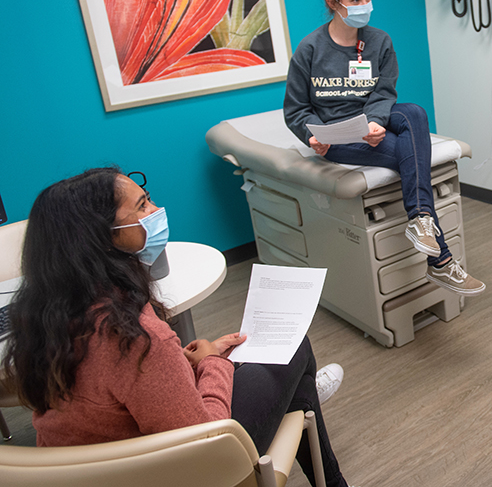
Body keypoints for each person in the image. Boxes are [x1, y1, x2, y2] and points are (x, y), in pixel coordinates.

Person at [1, 168, 353, 487]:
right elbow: (204, 439)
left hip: (83, 470)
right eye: (141, 206)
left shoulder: (38, 317)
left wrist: (179, 366)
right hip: (174, 472)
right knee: (294, 350)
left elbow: (108, 389)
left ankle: (301, 409)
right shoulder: (132, 333)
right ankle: (301, 411)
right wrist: (215, 363)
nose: (155, 211)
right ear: (102, 237)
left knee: (293, 385)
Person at [284, 0, 485, 297]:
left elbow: (384, 91)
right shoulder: (310, 49)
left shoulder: (379, 41)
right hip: (337, 133)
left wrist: (376, 122)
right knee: (412, 155)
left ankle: (420, 221)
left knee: (415, 113)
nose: (365, 5)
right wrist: (313, 137)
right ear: (334, 3)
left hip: (373, 117)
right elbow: (296, 109)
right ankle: (441, 261)